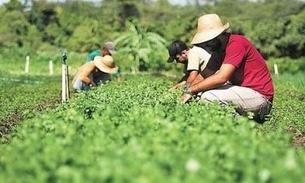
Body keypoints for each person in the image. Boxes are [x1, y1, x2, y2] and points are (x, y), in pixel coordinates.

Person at [182, 13, 274, 122]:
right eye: (204, 42)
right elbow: (204, 75)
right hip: (245, 94)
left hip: (260, 98)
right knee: (200, 92)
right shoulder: (218, 52)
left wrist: (191, 90)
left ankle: (241, 125)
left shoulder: (237, 43)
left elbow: (221, 78)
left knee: (208, 96)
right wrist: (187, 90)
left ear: (219, 35)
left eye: (208, 41)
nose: (206, 45)